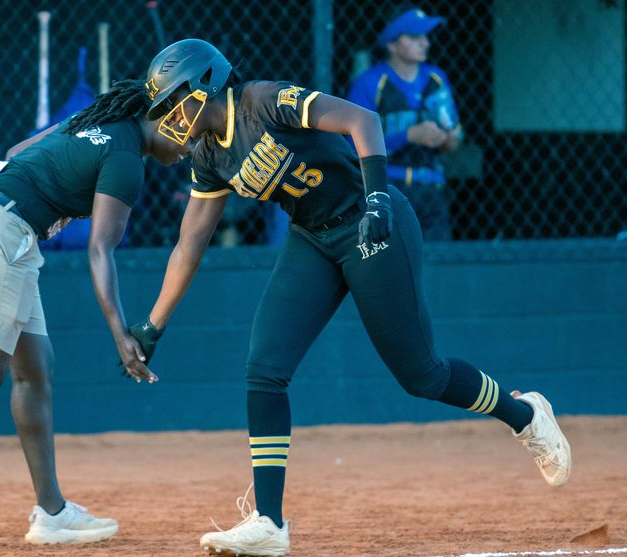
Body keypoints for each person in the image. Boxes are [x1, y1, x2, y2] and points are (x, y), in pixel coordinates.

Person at [129, 39, 571, 557]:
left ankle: (525, 415)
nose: (170, 116)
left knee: (422, 375)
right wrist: (153, 327)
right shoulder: (207, 156)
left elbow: (363, 120)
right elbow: (189, 243)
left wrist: (379, 199)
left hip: (371, 222)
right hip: (312, 237)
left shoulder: (264, 100)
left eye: (175, 100)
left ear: (205, 85)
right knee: (264, 368)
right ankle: (269, 523)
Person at [0, 79, 189, 549]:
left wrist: (53, 199)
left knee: (34, 369)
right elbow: (100, 249)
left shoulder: (97, 121)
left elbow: (16, 151)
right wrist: (120, 334)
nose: (190, 148)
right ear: (171, 119)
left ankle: (51, 512)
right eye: (190, 137)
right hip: (0, 235)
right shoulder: (127, 159)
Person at [347, 6, 463, 241]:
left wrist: (448, 139)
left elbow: (456, 137)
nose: (425, 43)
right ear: (391, 44)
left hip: (432, 187)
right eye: (414, 37)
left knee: (437, 263)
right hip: (389, 189)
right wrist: (408, 136)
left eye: (425, 37)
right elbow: (353, 146)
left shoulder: (435, 78)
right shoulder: (370, 82)